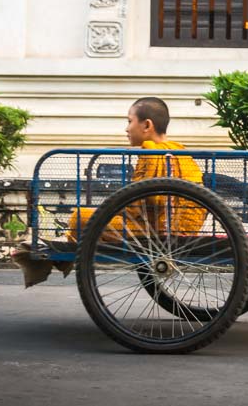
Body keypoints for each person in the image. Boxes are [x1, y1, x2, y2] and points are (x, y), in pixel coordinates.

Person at [12, 97, 205, 287]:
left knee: (81, 216)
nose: (126, 129)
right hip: (185, 229)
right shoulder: (180, 151)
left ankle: (67, 254)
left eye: (129, 122)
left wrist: (114, 209)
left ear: (147, 125)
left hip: (157, 231)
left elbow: (142, 204)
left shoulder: (150, 152)